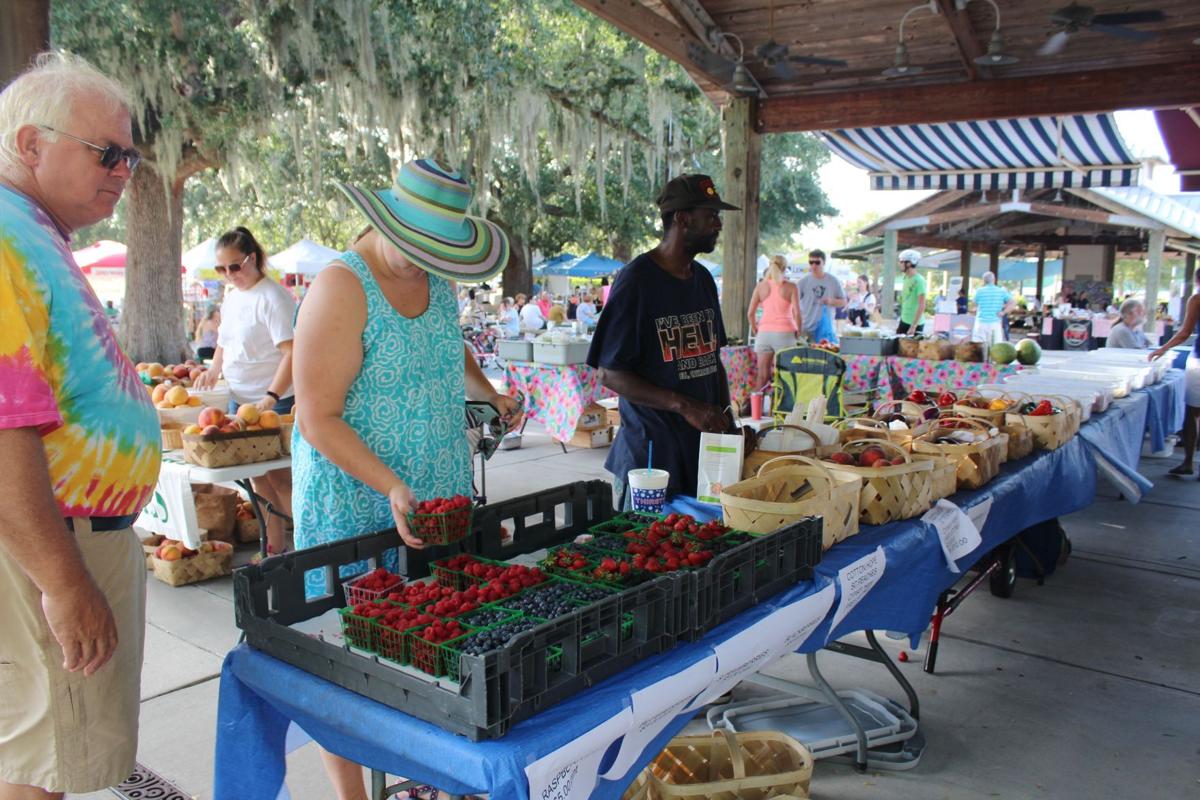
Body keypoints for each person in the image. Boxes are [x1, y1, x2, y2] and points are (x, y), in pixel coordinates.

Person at [291, 158, 521, 799]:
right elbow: (317, 417)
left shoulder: (435, 279)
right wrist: (390, 484)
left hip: (431, 501)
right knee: (350, 661)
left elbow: (451, 349)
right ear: (381, 221)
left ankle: (420, 776)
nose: (425, 263)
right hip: (358, 502)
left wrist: (490, 393)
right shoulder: (342, 285)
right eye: (416, 249)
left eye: (437, 253)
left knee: (427, 644)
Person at [0, 52, 161, 799]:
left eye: (129, 155)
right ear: (31, 144)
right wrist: (63, 583)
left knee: (49, 759)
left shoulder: (34, 232)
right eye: (108, 152)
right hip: (51, 544)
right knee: (42, 763)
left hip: (68, 538)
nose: (123, 169)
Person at [588, 173, 740, 509]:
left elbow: (712, 362)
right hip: (651, 459)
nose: (718, 224)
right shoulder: (636, 281)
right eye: (711, 215)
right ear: (683, 219)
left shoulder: (702, 279)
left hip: (701, 456)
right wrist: (685, 405)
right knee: (646, 552)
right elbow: (610, 374)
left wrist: (728, 420)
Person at [192, 227, 295, 557]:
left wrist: (272, 396)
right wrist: (213, 370)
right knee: (257, 481)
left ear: (253, 258)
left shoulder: (274, 297)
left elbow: (292, 353)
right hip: (240, 400)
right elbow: (223, 341)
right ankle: (274, 549)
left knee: (281, 481)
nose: (229, 275)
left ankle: (315, 546)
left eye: (235, 267)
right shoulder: (232, 296)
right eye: (221, 270)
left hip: (274, 402)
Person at [1150, 274, 1200, 477]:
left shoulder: (1196, 299)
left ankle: (1188, 461)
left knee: (1192, 412)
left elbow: (1184, 332)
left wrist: (1162, 349)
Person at [747, 254, 801, 388]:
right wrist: (799, 330)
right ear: (785, 268)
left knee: (762, 375)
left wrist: (755, 328)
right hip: (785, 334)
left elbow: (750, 313)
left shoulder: (761, 287)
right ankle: (780, 407)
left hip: (764, 333)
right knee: (783, 375)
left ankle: (755, 407)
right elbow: (797, 313)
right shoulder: (791, 287)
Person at [796, 249, 844, 344]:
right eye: (811, 262)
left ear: (824, 263)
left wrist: (832, 301)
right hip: (806, 328)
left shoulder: (833, 281)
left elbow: (843, 302)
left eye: (817, 262)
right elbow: (794, 304)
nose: (814, 265)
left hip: (825, 329)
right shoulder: (803, 282)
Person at [972, 271, 1014, 345]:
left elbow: (975, 303)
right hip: (995, 323)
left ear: (984, 281)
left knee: (979, 347)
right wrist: (1003, 312)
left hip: (981, 323)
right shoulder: (1001, 291)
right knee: (995, 347)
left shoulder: (979, 291)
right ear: (994, 280)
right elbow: (1012, 302)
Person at [896, 249, 927, 335]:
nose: (899, 264)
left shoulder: (919, 281)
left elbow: (922, 305)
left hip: (915, 325)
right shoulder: (905, 278)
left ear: (909, 263)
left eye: (901, 261)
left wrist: (913, 326)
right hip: (904, 320)